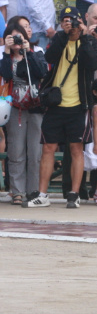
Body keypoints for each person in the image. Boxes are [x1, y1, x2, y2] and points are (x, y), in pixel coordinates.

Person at [24, 7, 97, 209]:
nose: (70, 24)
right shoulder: (59, 39)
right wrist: (63, 35)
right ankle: (42, 194)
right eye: (66, 20)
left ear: (80, 21)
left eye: (73, 20)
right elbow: (49, 59)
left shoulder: (89, 40)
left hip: (79, 104)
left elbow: (93, 64)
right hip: (56, 104)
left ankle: (74, 194)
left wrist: (82, 36)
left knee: (77, 149)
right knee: (48, 148)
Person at [0, 22, 48, 206]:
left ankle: (33, 190)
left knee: (35, 152)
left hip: (35, 107)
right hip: (15, 108)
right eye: (13, 38)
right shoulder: (7, 57)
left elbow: (41, 72)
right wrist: (6, 50)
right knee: (16, 150)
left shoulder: (35, 53)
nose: (17, 41)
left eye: (19, 36)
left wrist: (28, 52)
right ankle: (17, 191)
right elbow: (5, 74)